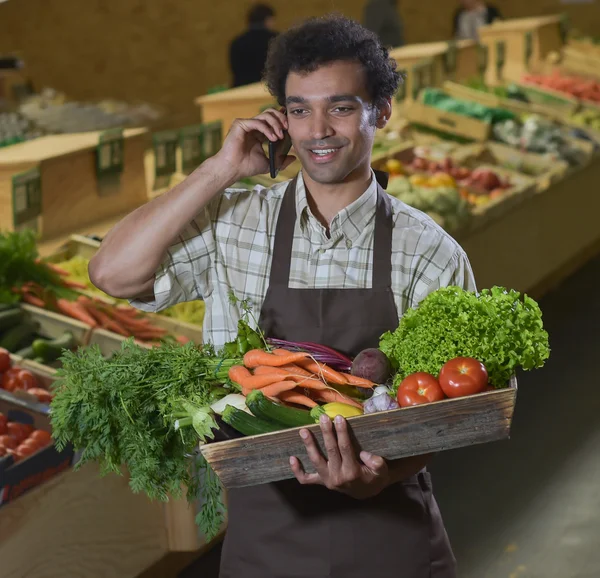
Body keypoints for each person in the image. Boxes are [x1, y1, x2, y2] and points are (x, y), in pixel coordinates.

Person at [89, 15, 475, 578]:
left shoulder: (429, 251)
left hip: (390, 540)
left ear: (382, 112)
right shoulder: (234, 223)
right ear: (281, 119)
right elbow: (113, 273)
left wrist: (379, 478)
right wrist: (220, 169)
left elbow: (445, 412)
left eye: (341, 107)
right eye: (299, 109)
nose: (317, 129)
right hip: (264, 541)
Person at [229, 3, 277, 88]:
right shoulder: (276, 40)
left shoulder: (236, 42)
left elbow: (235, 70)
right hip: (268, 89)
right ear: (268, 20)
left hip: (242, 90)